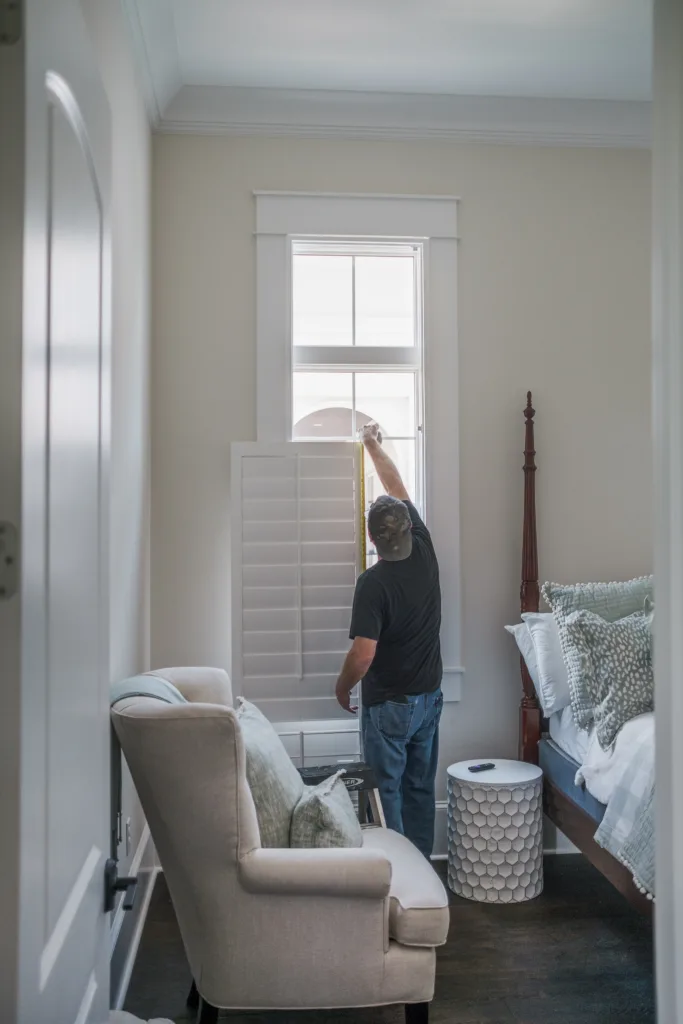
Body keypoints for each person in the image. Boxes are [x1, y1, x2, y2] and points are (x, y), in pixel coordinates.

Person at [335, 422, 443, 859]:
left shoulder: (372, 584)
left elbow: (363, 655)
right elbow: (397, 485)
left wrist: (341, 688)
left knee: (387, 792)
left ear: (371, 538)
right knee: (419, 786)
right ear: (407, 527)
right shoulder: (425, 547)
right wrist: (370, 444)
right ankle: (422, 873)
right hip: (429, 698)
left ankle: (397, 876)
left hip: (389, 706)